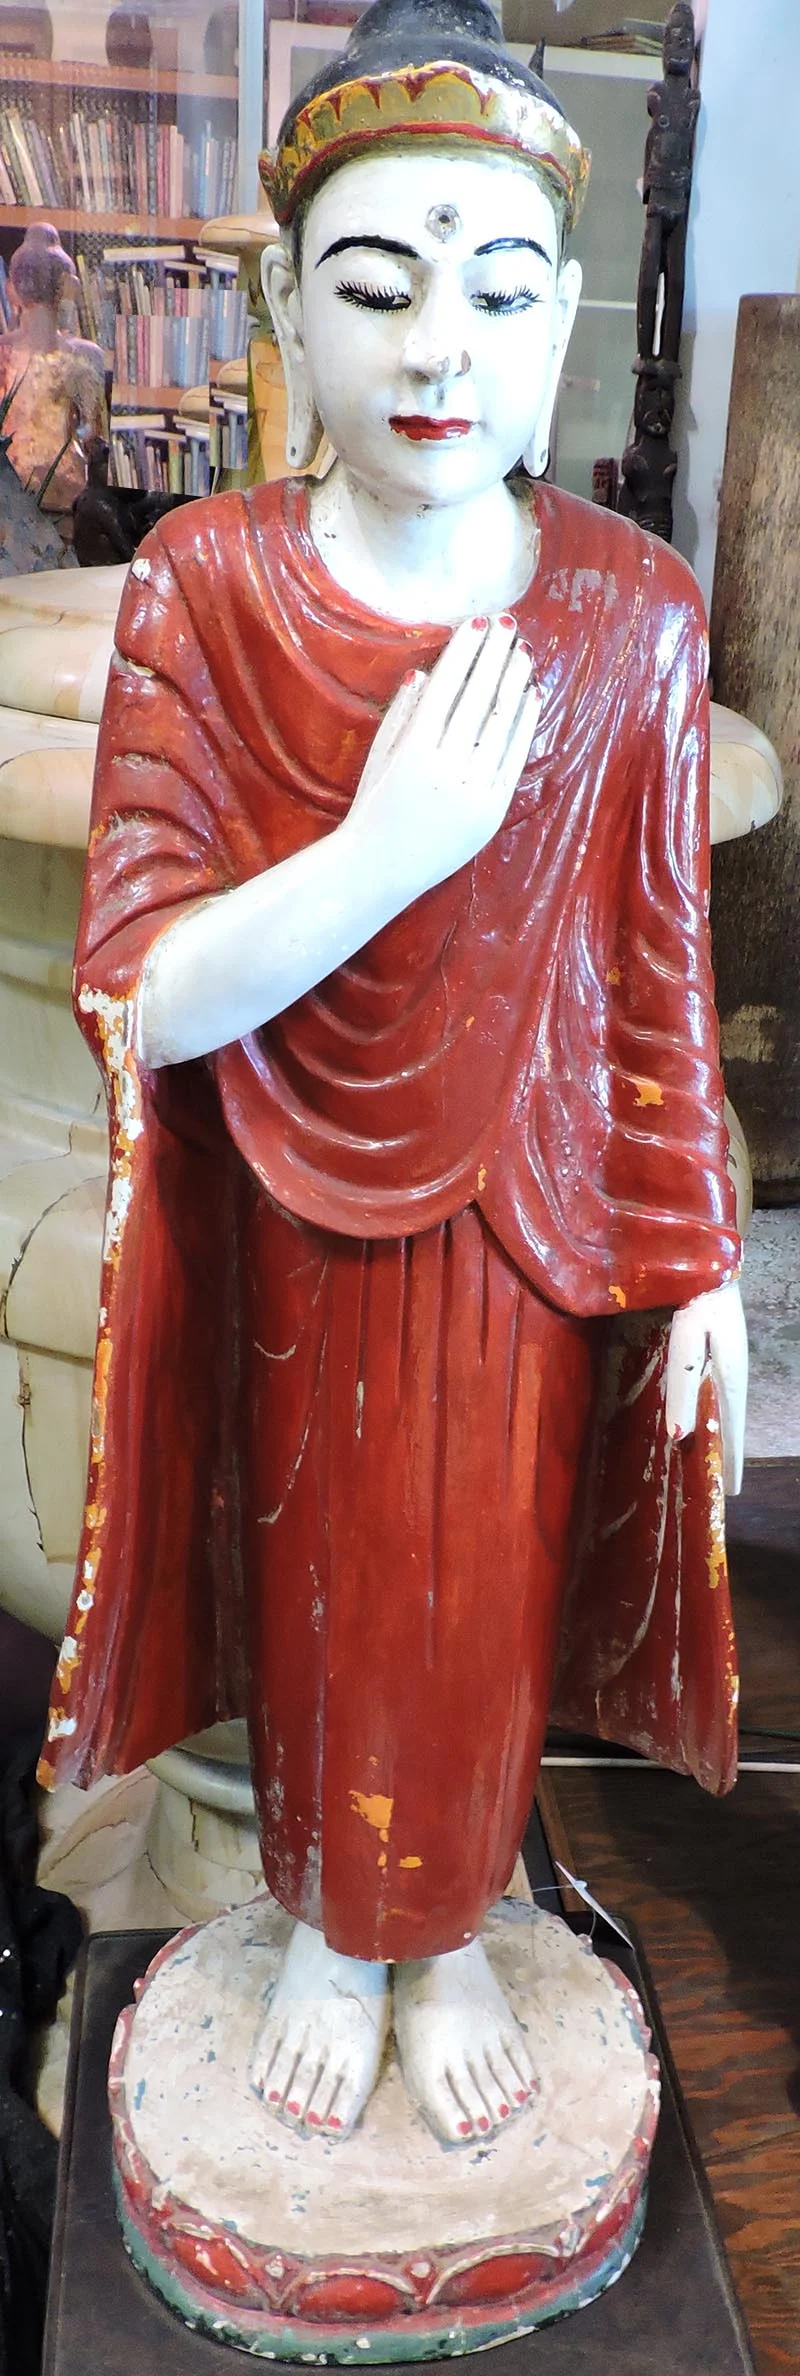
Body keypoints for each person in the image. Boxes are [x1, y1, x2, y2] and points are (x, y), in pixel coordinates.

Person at [41, 0, 746, 2149]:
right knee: (330, 1568)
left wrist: (698, 1255)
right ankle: (333, 1934)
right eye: (375, 288)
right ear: (283, 308)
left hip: (527, 1225)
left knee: (482, 1578)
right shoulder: (209, 585)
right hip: (290, 1201)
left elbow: (656, 970)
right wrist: (378, 858)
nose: (437, 350)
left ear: (564, 324)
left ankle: (443, 1929)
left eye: (496, 291)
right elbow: (145, 987)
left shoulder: (626, 616)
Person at [0, 225, 107, 536]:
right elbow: (94, 437)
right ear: (70, 286)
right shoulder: (86, 357)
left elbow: (94, 438)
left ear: (11, 289)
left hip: (56, 504)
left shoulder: (84, 356)